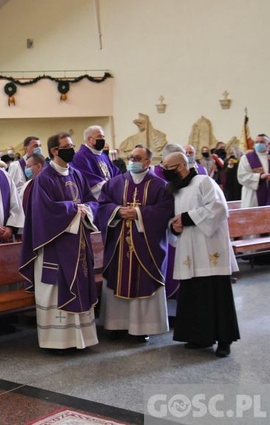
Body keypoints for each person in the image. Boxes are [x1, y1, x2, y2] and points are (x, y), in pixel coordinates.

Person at [19, 132, 99, 353]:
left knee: (79, 285)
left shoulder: (77, 174)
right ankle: (57, 342)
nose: (72, 149)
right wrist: (75, 209)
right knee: (56, 288)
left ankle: (81, 338)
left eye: (72, 145)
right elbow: (43, 211)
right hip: (54, 243)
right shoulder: (43, 178)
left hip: (79, 242)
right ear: (54, 150)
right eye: (67, 146)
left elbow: (91, 202)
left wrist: (87, 210)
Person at [163, 151, 240, 357]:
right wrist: (174, 226)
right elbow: (173, 218)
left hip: (209, 248)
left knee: (216, 293)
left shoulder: (203, 182)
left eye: (167, 167)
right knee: (194, 292)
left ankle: (224, 340)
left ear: (180, 166)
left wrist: (187, 218)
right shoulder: (176, 189)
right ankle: (200, 336)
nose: (164, 172)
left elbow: (219, 208)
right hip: (189, 248)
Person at [96, 146, 174, 343]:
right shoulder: (114, 183)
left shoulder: (161, 186)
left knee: (143, 281)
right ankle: (116, 325)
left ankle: (142, 327)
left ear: (148, 161)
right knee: (117, 279)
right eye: (130, 157)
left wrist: (139, 213)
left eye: (138, 158)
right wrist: (117, 211)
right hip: (119, 245)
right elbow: (102, 206)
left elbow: (166, 210)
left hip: (146, 245)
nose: (133, 161)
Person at [71, 125, 119, 199]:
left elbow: (117, 174)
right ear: (89, 139)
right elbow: (89, 181)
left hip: (110, 197)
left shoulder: (103, 156)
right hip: (96, 201)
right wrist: (111, 188)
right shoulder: (79, 157)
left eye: (103, 136)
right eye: (99, 137)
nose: (103, 139)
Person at [237, 134, 270, 208]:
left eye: (261, 142)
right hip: (253, 195)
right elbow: (241, 176)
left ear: (268, 144)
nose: (258, 144)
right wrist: (259, 177)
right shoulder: (246, 158)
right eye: (257, 142)